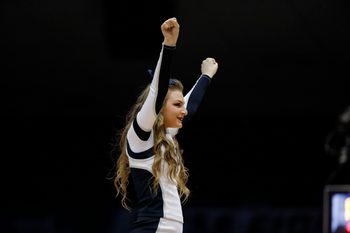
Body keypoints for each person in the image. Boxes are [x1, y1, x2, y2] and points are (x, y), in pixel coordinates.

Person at [113, 17, 218, 233]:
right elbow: (157, 91)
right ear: (159, 107)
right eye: (177, 104)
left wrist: (206, 75)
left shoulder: (166, 134)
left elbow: (192, 105)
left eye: (182, 104)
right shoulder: (141, 135)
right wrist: (169, 45)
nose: (184, 110)